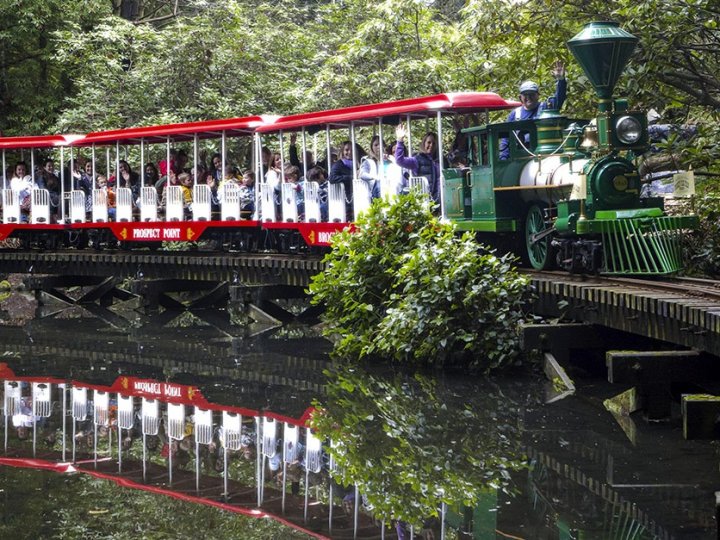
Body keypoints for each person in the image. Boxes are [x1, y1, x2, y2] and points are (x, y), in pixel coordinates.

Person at [499, 60, 567, 159]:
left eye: (532, 94)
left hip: (543, 153)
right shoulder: (514, 115)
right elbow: (506, 138)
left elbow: (559, 99)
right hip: (521, 157)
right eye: (525, 95)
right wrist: (503, 159)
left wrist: (561, 80)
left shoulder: (545, 107)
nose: (528, 97)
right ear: (520, 98)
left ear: (538, 95)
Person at [394, 123, 440, 204]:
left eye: (434, 143)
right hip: (424, 201)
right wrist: (400, 140)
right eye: (429, 142)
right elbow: (399, 160)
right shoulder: (417, 160)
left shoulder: (440, 160)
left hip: (439, 200)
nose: (431, 145)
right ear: (424, 143)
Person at [329, 141, 355, 216]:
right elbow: (332, 178)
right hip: (345, 197)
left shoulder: (357, 163)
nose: (349, 152)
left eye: (352, 150)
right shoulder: (338, 164)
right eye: (347, 150)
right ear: (343, 151)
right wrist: (351, 177)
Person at [359, 135, 383, 199]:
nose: (378, 147)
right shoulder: (368, 161)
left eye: (381, 144)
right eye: (376, 145)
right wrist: (374, 177)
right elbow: (362, 174)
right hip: (375, 189)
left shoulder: (389, 158)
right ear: (372, 147)